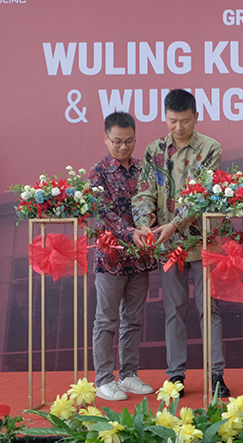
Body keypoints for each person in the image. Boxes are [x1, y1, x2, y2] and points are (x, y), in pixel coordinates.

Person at [131, 89, 230, 398]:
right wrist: (144, 223)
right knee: (174, 309)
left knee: (207, 309)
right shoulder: (153, 150)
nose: (178, 128)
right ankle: (175, 376)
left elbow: (201, 194)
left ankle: (216, 374)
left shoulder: (210, 148)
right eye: (172, 121)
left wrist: (174, 223)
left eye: (184, 121)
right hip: (167, 243)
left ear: (195, 117)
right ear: (165, 117)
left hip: (202, 241)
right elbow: (144, 191)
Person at [88, 111, 157, 401]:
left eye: (129, 142)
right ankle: (103, 379)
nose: (123, 147)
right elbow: (105, 215)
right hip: (111, 259)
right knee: (106, 321)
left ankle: (128, 375)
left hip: (140, 257)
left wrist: (152, 220)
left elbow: (151, 202)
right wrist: (132, 233)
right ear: (105, 138)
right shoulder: (97, 172)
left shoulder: (144, 169)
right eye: (117, 141)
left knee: (134, 320)